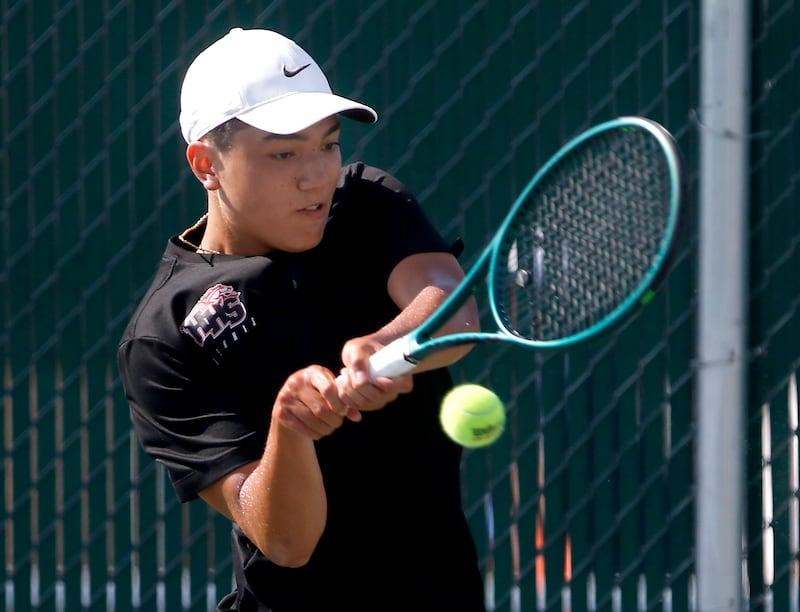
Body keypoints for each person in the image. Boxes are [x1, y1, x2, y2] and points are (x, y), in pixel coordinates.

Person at [118, 27, 485, 611]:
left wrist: (386, 343)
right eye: (284, 152)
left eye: (327, 144)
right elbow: (286, 542)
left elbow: (452, 305)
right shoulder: (165, 335)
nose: (316, 174)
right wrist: (290, 431)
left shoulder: (363, 203)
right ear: (206, 164)